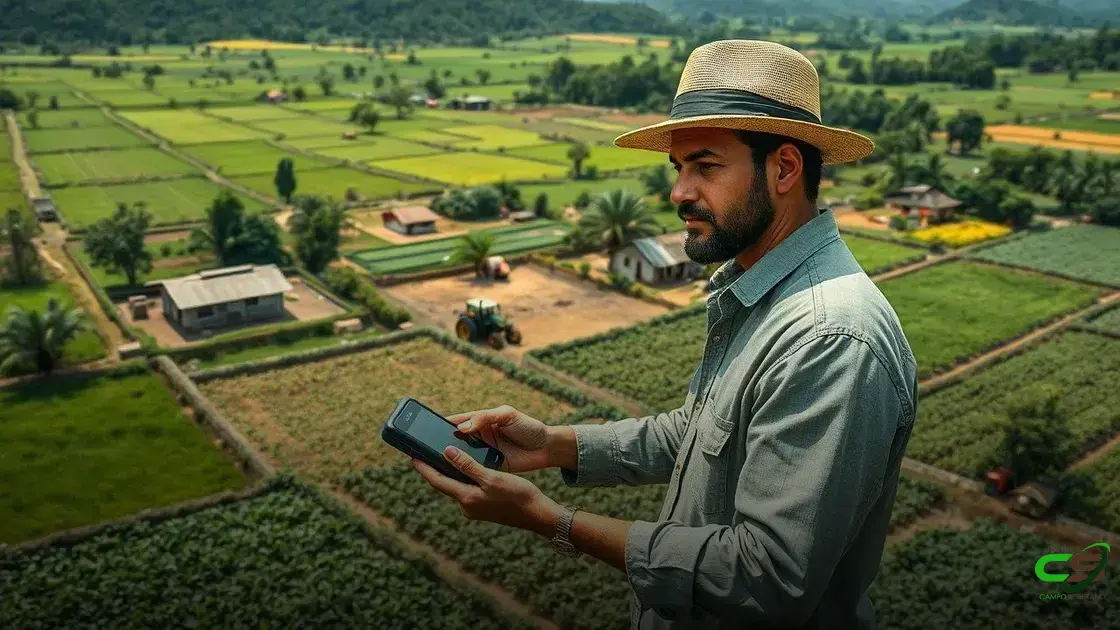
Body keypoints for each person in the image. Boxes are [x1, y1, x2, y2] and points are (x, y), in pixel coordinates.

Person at [412, 39, 918, 629]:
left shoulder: (828, 338)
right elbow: (699, 434)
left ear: (783, 169)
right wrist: (553, 444)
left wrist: (552, 521)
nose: (679, 193)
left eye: (705, 166)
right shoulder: (761, 293)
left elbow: (765, 577)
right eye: (678, 169)